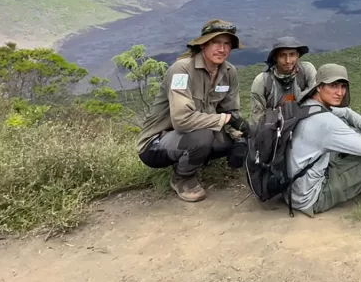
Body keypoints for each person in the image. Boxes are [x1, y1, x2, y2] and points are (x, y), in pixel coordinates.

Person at [136, 19, 249, 202]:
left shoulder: (229, 72)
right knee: (202, 135)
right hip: (156, 143)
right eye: (216, 42)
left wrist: (240, 138)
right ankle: (182, 178)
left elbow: (231, 111)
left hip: (191, 135)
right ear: (203, 44)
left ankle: (194, 158)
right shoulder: (181, 70)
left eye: (227, 43)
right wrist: (226, 120)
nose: (222, 49)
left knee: (244, 135)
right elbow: (182, 120)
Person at [287, 63, 361, 216]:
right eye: (333, 86)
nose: (340, 92)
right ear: (319, 87)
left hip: (290, 189)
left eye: (343, 86)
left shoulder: (305, 105)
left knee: (347, 126)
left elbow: (345, 112)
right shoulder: (326, 122)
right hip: (310, 198)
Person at [249, 36, 318, 124]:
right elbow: (257, 117)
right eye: (282, 55)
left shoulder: (306, 71)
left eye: (292, 55)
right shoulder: (262, 81)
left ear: (298, 56)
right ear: (275, 57)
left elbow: (317, 100)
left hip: (303, 123)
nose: (288, 61)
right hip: (274, 128)